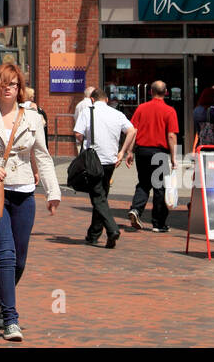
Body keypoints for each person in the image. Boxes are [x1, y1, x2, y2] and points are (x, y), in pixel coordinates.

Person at [0, 62, 60, 342]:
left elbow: (42, 156)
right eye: (4, 83)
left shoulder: (32, 118)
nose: (9, 88)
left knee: (19, 260)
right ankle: (11, 319)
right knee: (5, 255)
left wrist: (53, 191)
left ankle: (0, 300)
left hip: (24, 194)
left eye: (14, 84)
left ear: (20, 88)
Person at [74, 88, 134, 248]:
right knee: (101, 196)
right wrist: (123, 151)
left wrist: (88, 137)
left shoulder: (87, 112)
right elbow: (131, 131)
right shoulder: (117, 114)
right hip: (111, 161)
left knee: (98, 198)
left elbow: (78, 134)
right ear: (106, 100)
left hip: (94, 159)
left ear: (92, 100)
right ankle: (93, 234)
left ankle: (112, 229)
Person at [126, 81, 179, 233]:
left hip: (142, 151)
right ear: (166, 92)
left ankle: (136, 209)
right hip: (159, 152)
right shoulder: (169, 111)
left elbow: (133, 131)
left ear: (150, 92)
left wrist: (130, 151)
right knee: (159, 187)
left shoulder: (141, 108)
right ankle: (158, 223)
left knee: (143, 183)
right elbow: (171, 135)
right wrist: (174, 157)